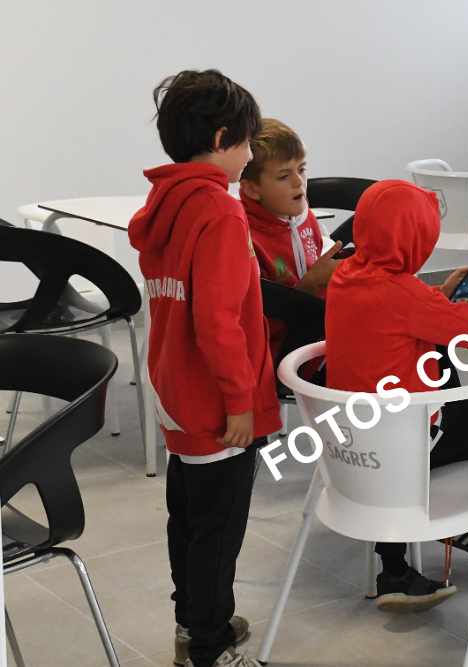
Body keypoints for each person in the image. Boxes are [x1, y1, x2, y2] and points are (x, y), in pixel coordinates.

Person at [129, 69, 280, 667]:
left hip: (175, 387)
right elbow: (219, 321)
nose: (250, 155)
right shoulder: (220, 211)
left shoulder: (166, 202)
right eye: (246, 143)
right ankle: (208, 646)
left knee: (188, 516)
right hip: (216, 401)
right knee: (218, 529)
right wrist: (241, 401)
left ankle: (194, 621)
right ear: (221, 139)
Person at [325, 180, 468, 611]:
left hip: (351, 440)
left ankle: (399, 564)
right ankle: (444, 517)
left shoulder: (345, 276)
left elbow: (401, 315)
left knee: (438, 361)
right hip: (398, 449)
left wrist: (442, 295)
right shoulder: (403, 294)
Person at [240, 118, 340, 366]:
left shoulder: (306, 218)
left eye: (302, 169)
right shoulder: (243, 237)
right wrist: (311, 284)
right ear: (252, 189)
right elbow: (259, 318)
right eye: (284, 176)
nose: (299, 182)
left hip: (320, 339)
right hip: (277, 357)